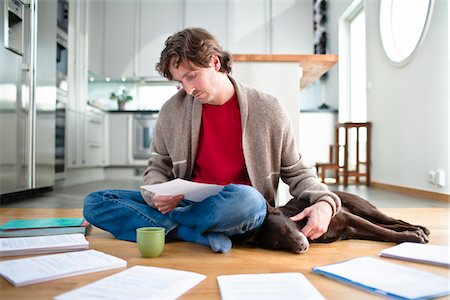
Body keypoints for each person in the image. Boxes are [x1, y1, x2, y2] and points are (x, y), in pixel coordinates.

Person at [83, 27, 341, 254]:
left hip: (239, 210)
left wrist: (325, 202)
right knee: (96, 202)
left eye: (192, 75)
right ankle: (192, 232)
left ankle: (178, 227)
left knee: (249, 200)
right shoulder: (172, 111)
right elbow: (157, 168)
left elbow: (296, 171)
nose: (188, 89)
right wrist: (157, 194)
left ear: (215, 62)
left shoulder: (268, 109)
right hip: (185, 204)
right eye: (180, 81)